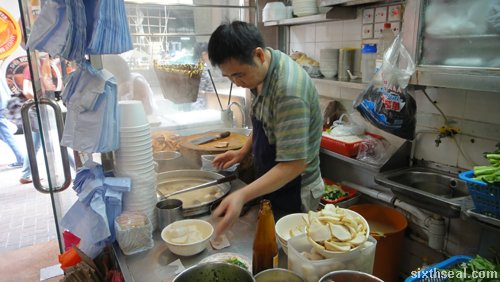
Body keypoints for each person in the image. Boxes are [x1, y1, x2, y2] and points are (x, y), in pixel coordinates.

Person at [208, 21, 324, 237]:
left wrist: (242, 195)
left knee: (284, 252)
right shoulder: (261, 71)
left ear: (259, 55)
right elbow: (264, 121)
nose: (237, 82)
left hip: (295, 189)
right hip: (274, 183)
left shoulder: (289, 92)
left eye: (239, 75)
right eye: (229, 77)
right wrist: (242, 152)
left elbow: (294, 165)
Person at [0, 83, 24, 168]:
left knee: (7, 137)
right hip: (3, 106)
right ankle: (22, 159)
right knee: (6, 136)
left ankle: (22, 159)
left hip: (1, 108)